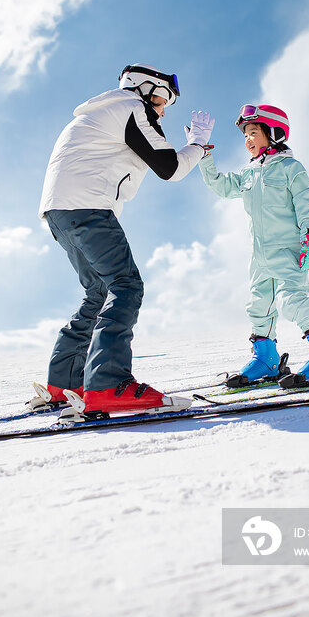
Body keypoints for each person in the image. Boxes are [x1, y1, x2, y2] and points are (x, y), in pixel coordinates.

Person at [32, 64, 214, 418]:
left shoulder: (98, 113)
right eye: (161, 99)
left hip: (59, 213)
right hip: (88, 208)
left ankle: (65, 383)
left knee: (98, 292)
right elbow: (170, 168)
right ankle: (108, 385)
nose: (162, 110)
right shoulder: (130, 108)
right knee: (126, 286)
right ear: (142, 89)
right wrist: (198, 146)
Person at [199, 104, 309, 386]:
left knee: (291, 300)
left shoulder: (290, 168)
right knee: (258, 306)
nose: (248, 140)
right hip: (259, 254)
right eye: (245, 135)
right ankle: (266, 360)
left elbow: (305, 201)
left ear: (274, 133)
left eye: (253, 132)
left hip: (287, 248)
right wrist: (203, 153)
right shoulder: (248, 174)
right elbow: (219, 184)